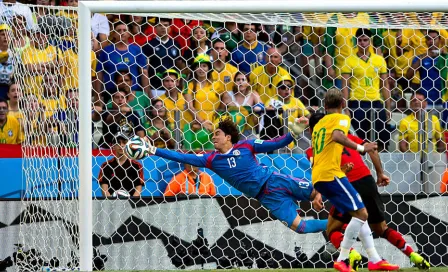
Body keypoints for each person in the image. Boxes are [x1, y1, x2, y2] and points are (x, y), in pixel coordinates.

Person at [141, 117, 328, 234]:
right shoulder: (211, 159)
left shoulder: (247, 146)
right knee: (300, 228)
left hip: (275, 180)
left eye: (217, 134)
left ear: (228, 137)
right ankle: (339, 224)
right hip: (266, 197)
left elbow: (274, 144)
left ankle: (351, 210)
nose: (213, 137)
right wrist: (152, 149)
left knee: (321, 191)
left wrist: (293, 133)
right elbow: (181, 156)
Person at [307, 112, 430, 270]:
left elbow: (322, 172)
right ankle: (412, 254)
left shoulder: (314, 149)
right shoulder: (349, 138)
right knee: (381, 228)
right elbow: (371, 150)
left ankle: (349, 255)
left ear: (311, 131)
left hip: (346, 184)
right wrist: (380, 173)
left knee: (332, 229)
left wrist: (318, 194)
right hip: (367, 181)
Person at [310, 89, 398, 272]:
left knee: (360, 215)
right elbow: (337, 136)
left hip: (320, 175)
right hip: (331, 174)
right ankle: (342, 259)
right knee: (362, 215)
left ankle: (374, 259)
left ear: (325, 107)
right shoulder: (341, 119)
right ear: (343, 105)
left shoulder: (319, 125)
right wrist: (361, 147)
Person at [341, 28, 390, 151]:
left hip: (376, 101)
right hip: (357, 102)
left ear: (370, 41)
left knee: (382, 138)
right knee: (359, 138)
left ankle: (380, 162)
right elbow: (345, 86)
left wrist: (388, 107)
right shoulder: (349, 61)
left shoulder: (379, 60)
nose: (363, 43)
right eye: (360, 40)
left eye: (365, 40)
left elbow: (385, 84)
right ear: (356, 42)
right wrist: (346, 107)